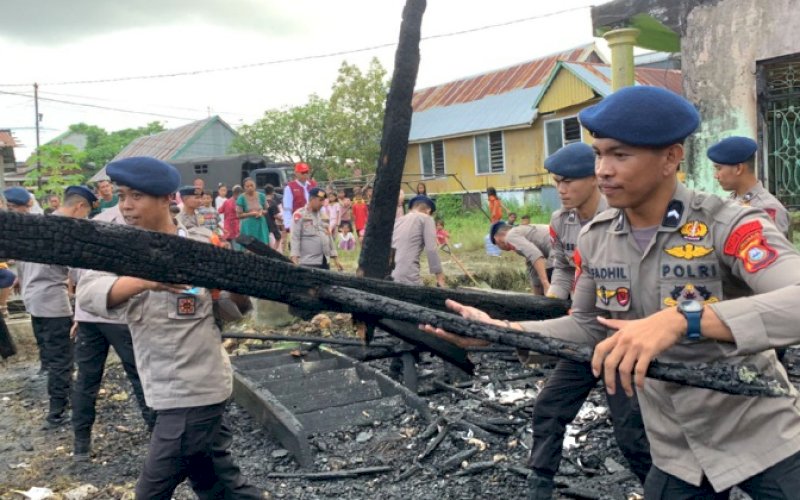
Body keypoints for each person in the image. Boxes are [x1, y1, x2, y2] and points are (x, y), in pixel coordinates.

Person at [423, 86, 800, 499]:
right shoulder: (596, 239)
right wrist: (502, 331)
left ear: (671, 158)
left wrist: (683, 319)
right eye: (599, 154)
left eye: (620, 155)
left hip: (760, 431)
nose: (603, 169)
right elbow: (588, 325)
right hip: (678, 451)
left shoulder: (727, 225)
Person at [76, 156, 263, 499]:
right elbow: (88, 294)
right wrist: (145, 281)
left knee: (151, 492)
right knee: (216, 483)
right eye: (121, 196)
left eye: (136, 196)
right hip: (161, 387)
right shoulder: (118, 249)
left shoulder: (202, 245)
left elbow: (232, 311)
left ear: (166, 199)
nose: (127, 206)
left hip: (195, 390)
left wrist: (233, 281)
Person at [71, 204, 155, 461]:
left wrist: (77, 313)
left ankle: (81, 444)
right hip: (117, 312)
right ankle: (157, 436)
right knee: (139, 373)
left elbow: (77, 271)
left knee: (86, 379)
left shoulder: (96, 222)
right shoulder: (132, 223)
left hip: (88, 314)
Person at [17, 186, 96, 429]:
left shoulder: (39, 226)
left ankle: (64, 402)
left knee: (52, 358)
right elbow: (79, 272)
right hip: (53, 303)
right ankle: (57, 413)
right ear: (79, 207)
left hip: (33, 299)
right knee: (62, 360)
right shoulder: (65, 231)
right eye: (86, 213)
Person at [546, 142, 608, 301]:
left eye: (567, 182)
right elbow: (563, 269)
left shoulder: (618, 216)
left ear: (594, 178)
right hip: (579, 310)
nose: (560, 189)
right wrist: (551, 301)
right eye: (557, 182)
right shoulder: (560, 221)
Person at [709, 136, 791, 237]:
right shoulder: (729, 201)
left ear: (738, 168)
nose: (715, 176)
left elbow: (773, 250)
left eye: (718, 168)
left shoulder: (767, 208)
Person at [391, 195, 446, 287]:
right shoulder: (426, 218)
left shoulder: (397, 221)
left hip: (390, 274)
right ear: (428, 210)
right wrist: (440, 277)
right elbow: (431, 250)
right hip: (407, 275)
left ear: (410, 209)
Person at [490, 221, 552, 296]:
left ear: (497, 238)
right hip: (561, 247)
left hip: (560, 250)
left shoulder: (511, 236)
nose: (500, 248)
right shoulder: (520, 234)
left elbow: (536, 255)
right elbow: (532, 266)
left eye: (497, 245)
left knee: (552, 280)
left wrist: (545, 284)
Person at [290, 187, 343, 271]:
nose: (322, 203)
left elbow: (329, 237)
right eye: (320, 200)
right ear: (312, 199)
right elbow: (295, 237)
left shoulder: (323, 215)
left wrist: (335, 258)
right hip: (308, 262)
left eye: (323, 201)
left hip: (324, 261)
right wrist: (294, 258)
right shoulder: (299, 215)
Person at [282, 162, 317, 234]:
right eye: (303, 172)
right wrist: (288, 224)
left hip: (314, 220)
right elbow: (287, 208)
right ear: (296, 173)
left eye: (307, 172)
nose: (305, 174)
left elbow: (321, 201)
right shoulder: (289, 187)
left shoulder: (314, 185)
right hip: (298, 221)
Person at [236, 177, 269, 245]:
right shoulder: (241, 198)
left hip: (260, 225)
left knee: (262, 247)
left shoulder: (262, 196)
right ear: (244, 188)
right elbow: (239, 215)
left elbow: (266, 210)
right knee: (250, 247)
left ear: (255, 185)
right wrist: (251, 214)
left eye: (251, 185)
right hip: (248, 227)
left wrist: (261, 212)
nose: (250, 188)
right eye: (247, 186)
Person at [264, 184, 282, 250]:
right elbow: (275, 215)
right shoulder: (273, 202)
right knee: (278, 237)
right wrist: (283, 219)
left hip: (263, 223)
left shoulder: (262, 201)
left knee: (266, 239)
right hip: (271, 223)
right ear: (273, 192)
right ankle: (273, 252)